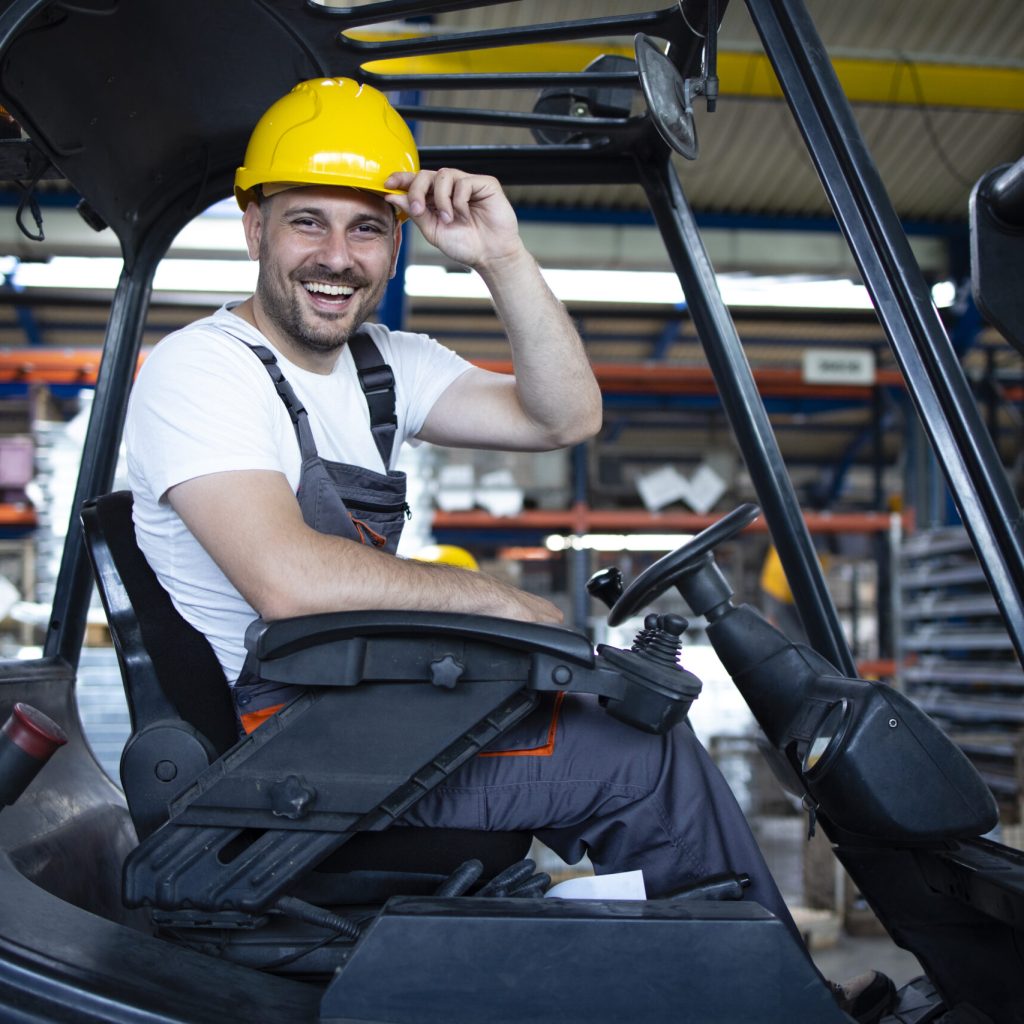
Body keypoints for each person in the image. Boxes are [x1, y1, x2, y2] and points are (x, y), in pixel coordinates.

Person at [125, 74, 810, 962]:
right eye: (308, 221)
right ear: (254, 225)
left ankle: (698, 976)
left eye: (367, 226)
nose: (338, 255)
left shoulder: (382, 365)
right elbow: (288, 579)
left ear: (397, 243)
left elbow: (565, 417)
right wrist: (489, 599)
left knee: (621, 716)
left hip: (364, 708)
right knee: (641, 758)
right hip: (296, 751)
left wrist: (502, 258)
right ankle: (768, 992)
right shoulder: (206, 371)